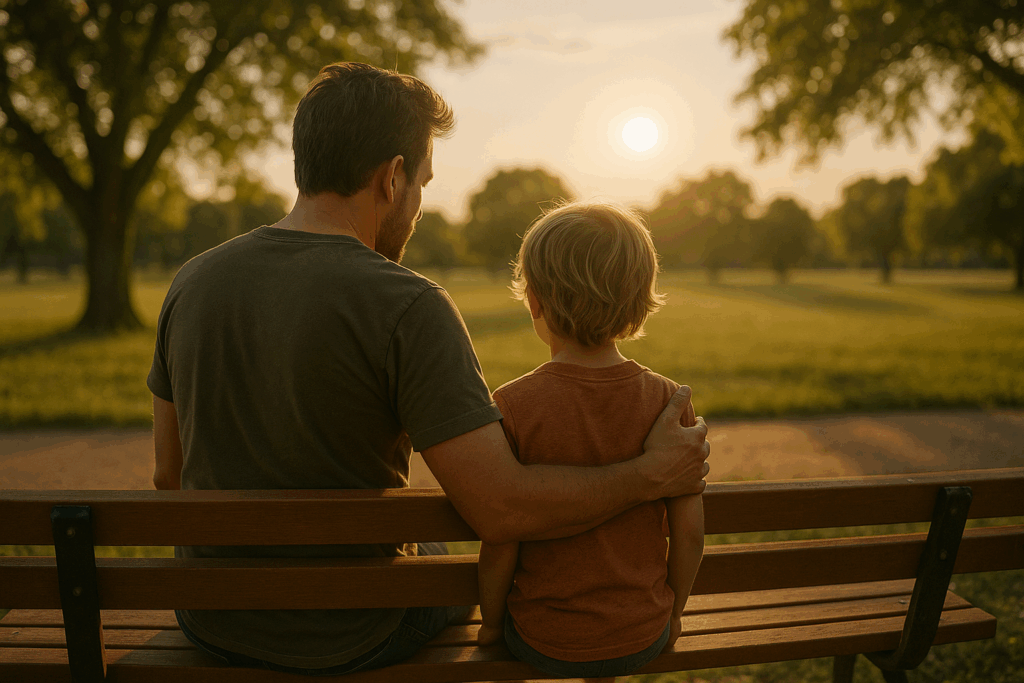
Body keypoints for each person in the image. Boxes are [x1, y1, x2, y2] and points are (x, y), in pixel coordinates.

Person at [149, 62, 710, 676]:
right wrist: (650, 474)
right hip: (357, 630)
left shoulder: (191, 283)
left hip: (212, 617)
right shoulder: (408, 305)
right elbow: (503, 510)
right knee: (441, 559)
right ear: (391, 179)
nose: (417, 207)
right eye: (422, 183)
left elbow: (169, 474)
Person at [476, 202, 706, 681]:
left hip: (543, 637)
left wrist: (494, 626)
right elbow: (688, 533)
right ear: (639, 300)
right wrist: (675, 613)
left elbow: (501, 541)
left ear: (535, 300)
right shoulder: (668, 402)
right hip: (644, 634)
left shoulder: (515, 404)